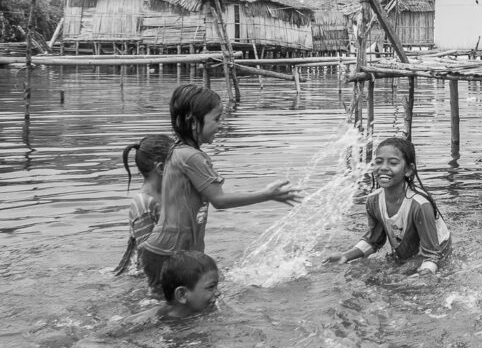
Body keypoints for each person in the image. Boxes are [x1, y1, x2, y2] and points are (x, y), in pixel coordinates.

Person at [138, 84, 301, 291]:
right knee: (181, 310)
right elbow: (219, 201)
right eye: (216, 119)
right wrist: (267, 194)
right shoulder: (190, 156)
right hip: (170, 253)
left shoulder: (179, 151)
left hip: (170, 250)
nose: (220, 124)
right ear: (192, 120)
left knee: (194, 303)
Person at [326, 136, 449, 275]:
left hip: (437, 255)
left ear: (408, 170)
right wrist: (346, 256)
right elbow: (373, 241)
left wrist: (424, 274)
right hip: (408, 252)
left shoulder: (420, 205)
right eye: (378, 162)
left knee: (395, 279)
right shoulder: (373, 201)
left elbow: (433, 255)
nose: (383, 168)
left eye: (393, 163)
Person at [112, 134, 175, 275]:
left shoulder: (165, 195)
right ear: (161, 168)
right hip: (140, 278)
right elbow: (146, 257)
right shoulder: (144, 203)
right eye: (177, 163)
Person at [159, 250, 221, 319]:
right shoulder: (155, 323)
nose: (218, 293)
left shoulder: (212, 308)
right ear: (182, 295)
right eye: (211, 287)